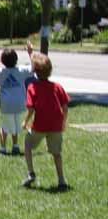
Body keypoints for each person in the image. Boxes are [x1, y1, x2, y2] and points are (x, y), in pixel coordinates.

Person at [22, 53, 70, 191]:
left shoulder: (32, 87)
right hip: (56, 126)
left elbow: (31, 109)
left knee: (27, 145)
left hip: (40, 125)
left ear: (35, 71)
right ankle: (61, 180)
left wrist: (25, 121)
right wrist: (63, 122)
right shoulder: (57, 87)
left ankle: (31, 173)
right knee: (56, 153)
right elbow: (65, 107)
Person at [0, 42, 34, 155]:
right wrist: (30, 53)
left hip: (6, 104)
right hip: (20, 103)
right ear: (16, 60)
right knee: (16, 125)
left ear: (3, 61)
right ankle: (15, 146)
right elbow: (34, 68)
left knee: (5, 126)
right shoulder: (21, 70)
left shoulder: (0, 73)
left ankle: (3, 148)